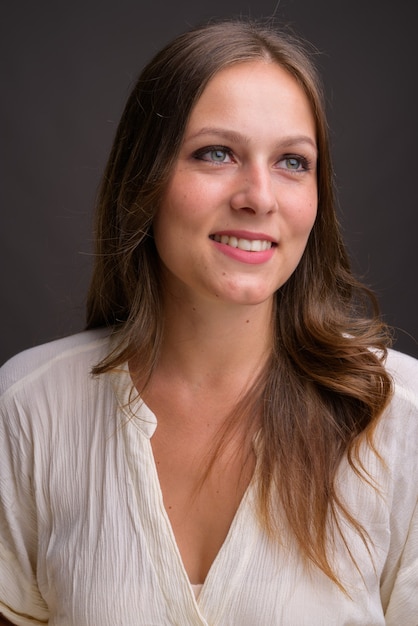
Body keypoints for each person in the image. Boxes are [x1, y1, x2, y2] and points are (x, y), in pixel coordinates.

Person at [0, 18, 417, 626]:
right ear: (144, 178)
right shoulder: (29, 407)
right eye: (216, 153)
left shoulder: (400, 418)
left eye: (292, 162)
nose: (259, 196)